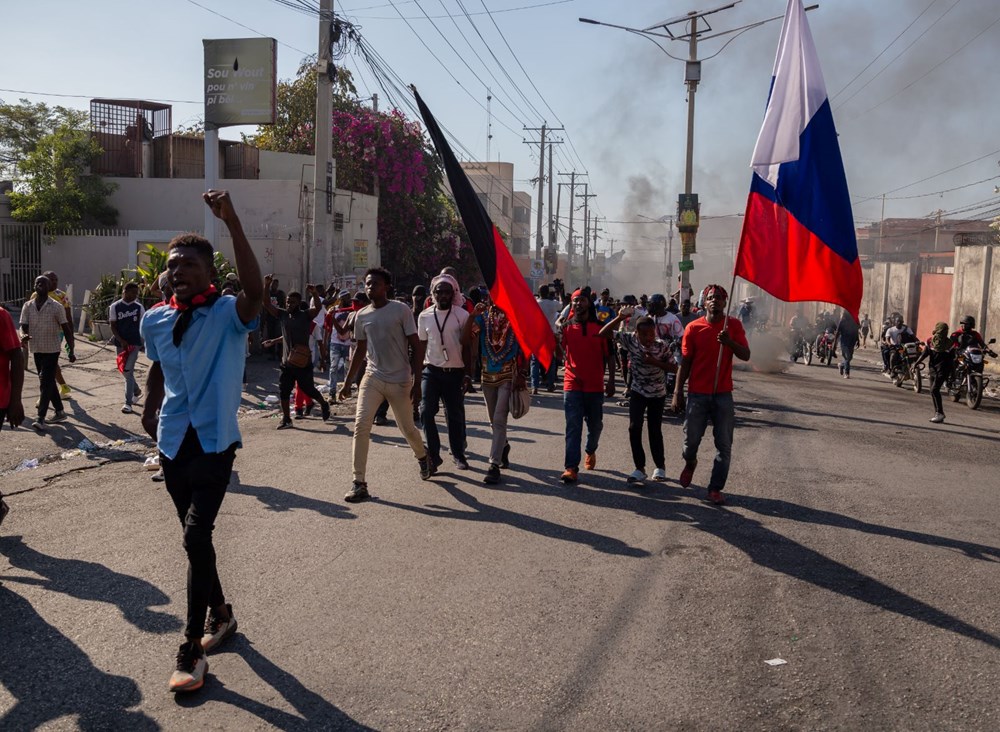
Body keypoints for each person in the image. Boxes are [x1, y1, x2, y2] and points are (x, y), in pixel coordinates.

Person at [140, 189, 263, 693]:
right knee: (197, 542)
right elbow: (158, 366)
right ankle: (223, 614)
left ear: (209, 272)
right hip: (172, 441)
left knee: (195, 537)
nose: (178, 271)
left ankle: (191, 648)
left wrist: (233, 222)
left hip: (215, 442)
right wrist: (149, 406)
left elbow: (255, 290)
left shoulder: (229, 315)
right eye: (173, 265)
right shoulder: (156, 318)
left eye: (189, 263)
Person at [338, 267, 433, 503]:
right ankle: (359, 483)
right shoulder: (361, 316)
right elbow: (360, 350)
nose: (370, 288)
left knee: (408, 430)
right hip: (373, 377)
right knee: (361, 425)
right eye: (367, 284)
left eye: (375, 284)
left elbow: (417, 346)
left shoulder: (400, 310)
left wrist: (417, 380)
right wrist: (347, 383)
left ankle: (423, 456)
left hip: (400, 380)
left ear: (386, 286)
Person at [671, 284, 750, 506]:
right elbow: (685, 363)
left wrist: (730, 342)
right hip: (697, 394)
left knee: (724, 445)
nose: (714, 300)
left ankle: (715, 488)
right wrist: (678, 392)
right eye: (710, 297)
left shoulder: (733, 326)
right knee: (690, 443)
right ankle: (691, 462)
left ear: (725, 303)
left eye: (719, 298)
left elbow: (745, 354)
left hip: (723, 394)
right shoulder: (694, 328)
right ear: (704, 302)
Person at [601, 308, 675, 484]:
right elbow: (603, 333)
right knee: (634, 427)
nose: (649, 338)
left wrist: (654, 362)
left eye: (652, 334)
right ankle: (639, 468)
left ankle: (660, 467)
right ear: (636, 333)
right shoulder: (630, 340)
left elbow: (674, 368)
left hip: (657, 393)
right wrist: (619, 317)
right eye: (644, 335)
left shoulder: (661, 346)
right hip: (638, 391)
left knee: (654, 429)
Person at [465, 298, 526, 484]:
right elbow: (467, 335)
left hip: (508, 373)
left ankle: (493, 465)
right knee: (493, 420)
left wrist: (522, 373)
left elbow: (524, 346)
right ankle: (504, 445)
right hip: (486, 374)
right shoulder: (483, 317)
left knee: (499, 419)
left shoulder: (516, 317)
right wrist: (472, 316)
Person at [416, 273, 472, 471]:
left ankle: (458, 455)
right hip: (431, 371)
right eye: (439, 292)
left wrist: (468, 374)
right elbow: (421, 345)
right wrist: (415, 374)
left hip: (454, 372)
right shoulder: (425, 316)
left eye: (448, 292)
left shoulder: (462, 315)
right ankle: (433, 455)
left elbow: (468, 347)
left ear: (453, 294)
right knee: (426, 411)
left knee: (454, 415)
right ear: (433, 294)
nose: (443, 296)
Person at [560, 289, 615, 483]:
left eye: (581, 300)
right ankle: (570, 468)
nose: (578, 304)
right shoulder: (565, 327)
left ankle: (590, 450)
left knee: (595, 426)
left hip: (595, 385)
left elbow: (610, 355)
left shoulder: (600, 328)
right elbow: (560, 354)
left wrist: (611, 381)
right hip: (572, 384)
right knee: (573, 427)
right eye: (575, 301)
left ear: (589, 304)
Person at [261, 277, 330, 429]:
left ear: (298, 303)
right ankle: (286, 418)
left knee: (308, 389)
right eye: (287, 301)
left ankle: (324, 404)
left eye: (292, 302)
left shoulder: (305, 315)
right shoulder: (283, 315)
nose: (288, 304)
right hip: (287, 363)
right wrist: (266, 286)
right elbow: (266, 304)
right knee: (284, 391)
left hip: (302, 362)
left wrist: (314, 294)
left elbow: (318, 308)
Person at [20, 275, 76, 431]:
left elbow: (66, 328)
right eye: (37, 283)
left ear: (49, 285)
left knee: (45, 382)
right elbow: (23, 325)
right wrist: (23, 335)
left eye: (43, 283)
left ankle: (40, 417)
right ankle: (59, 411)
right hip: (36, 349)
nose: (40, 285)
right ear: (34, 286)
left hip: (52, 349)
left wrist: (71, 349)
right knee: (48, 381)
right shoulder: (28, 306)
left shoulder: (56, 306)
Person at [29, 270, 74, 398]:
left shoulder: (61, 295)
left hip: (56, 333)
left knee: (48, 363)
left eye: (56, 280)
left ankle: (46, 395)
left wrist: (71, 339)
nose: (54, 282)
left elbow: (68, 318)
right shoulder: (35, 296)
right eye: (51, 280)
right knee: (48, 364)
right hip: (38, 334)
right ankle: (63, 387)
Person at [109, 281, 145, 413]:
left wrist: (142, 343)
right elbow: (113, 325)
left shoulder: (139, 307)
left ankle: (127, 403)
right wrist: (120, 340)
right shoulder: (115, 306)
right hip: (121, 344)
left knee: (128, 370)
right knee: (124, 371)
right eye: (133, 292)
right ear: (124, 292)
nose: (135, 295)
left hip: (134, 343)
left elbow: (143, 325)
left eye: (136, 293)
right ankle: (136, 390)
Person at [915, 322, 955, 424]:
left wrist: (952, 375)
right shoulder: (930, 341)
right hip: (932, 370)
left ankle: (939, 413)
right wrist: (916, 363)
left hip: (943, 370)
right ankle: (938, 413)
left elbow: (952, 361)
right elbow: (925, 354)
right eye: (941, 331)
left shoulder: (950, 344)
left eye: (944, 331)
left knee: (934, 389)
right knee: (933, 391)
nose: (942, 333)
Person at [531, 284, 562, 394]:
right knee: (550, 361)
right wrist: (559, 293)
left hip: (537, 334)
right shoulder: (553, 304)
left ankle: (534, 386)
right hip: (550, 334)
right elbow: (562, 306)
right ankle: (550, 384)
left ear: (539, 292)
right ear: (548, 292)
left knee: (535, 362)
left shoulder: (535, 303)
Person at [261, 277, 285, 359]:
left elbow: (283, 305)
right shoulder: (269, 293)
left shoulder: (280, 294)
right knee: (271, 335)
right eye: (273, 284)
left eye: (276, 284)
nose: (275, 285)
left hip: (278, 317)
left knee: (279, 335)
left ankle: (279, 353)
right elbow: (265, 304)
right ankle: (272, 354)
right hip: (270, 317)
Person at [834, 309, 859, 378]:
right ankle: (846, 373)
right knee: (847, 357)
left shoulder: (854, 321)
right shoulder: (842, 321)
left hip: (852, 341)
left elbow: (856, 330)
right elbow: (837, 332)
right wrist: (834, 343)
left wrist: (858, 340)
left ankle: (841, 365)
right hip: (844, 342)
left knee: (850, 357)